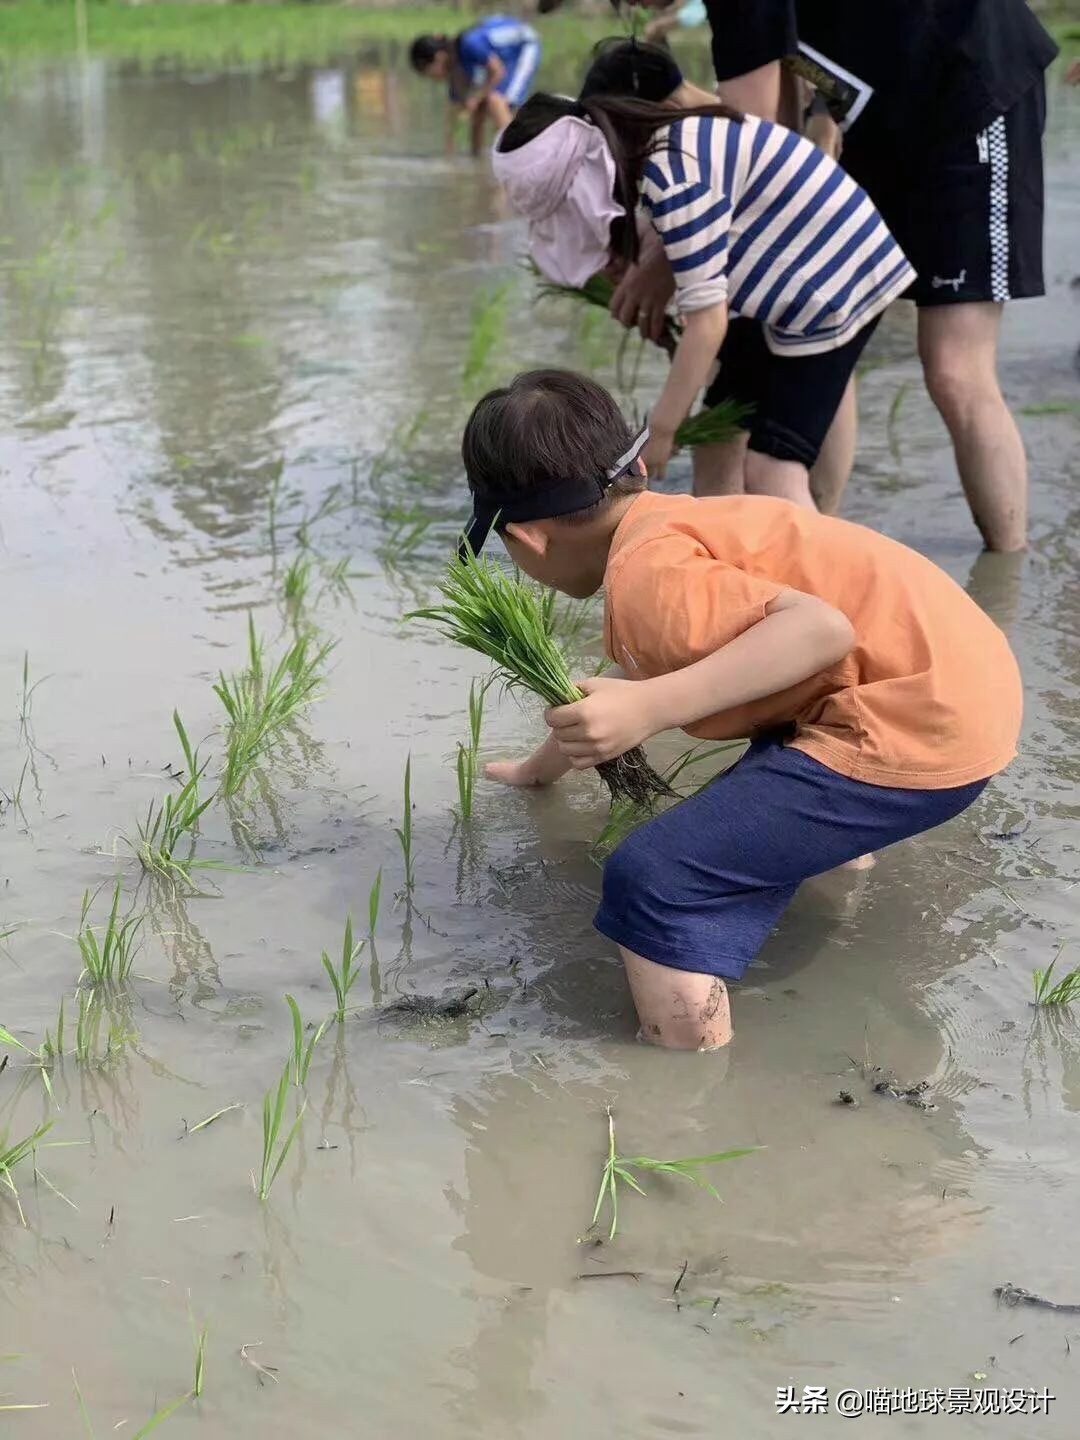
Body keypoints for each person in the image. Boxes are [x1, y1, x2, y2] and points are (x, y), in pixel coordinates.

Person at [459, 368, 1022, 1049]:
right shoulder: (676, 521)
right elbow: (643, 669)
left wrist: (652, 707)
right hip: (961, 682)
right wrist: (539, 768)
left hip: (919, 731)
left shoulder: (648, 578)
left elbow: (821, 631)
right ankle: (839, 868)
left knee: (655, 876)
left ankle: (686, 1071)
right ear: (635, 465)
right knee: (767, 764)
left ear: (527, 541)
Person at [615, 0, 1058, 551]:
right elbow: (783, 122)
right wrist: (823, 116)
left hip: (966, 97)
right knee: (825, 313)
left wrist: (667, 260)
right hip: (879, 120)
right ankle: (823, 530)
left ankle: (1005, 581)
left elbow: (751, 146)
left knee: (954, 369)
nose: (632, 7)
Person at [493, 92, 914, 505]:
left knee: (772, 470)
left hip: (830, 281)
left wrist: (661, 429)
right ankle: (723, 563)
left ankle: (821, 574)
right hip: (775, 284)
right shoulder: (654, 152)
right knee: (718, 439)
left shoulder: (673, 179)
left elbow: (709, 324)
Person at [410, 16, 542, 155]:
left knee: (495, 101)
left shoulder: (469, 44)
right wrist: (448, 154)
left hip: (524, 45)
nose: (432, 79)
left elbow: (497, 72)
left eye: (428, 73)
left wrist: (476, 98)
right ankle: (476, 156)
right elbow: (454, 114)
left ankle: (518, 154)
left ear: (439, 57)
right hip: (503, 59)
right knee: (479, 108)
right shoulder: (456, 69)